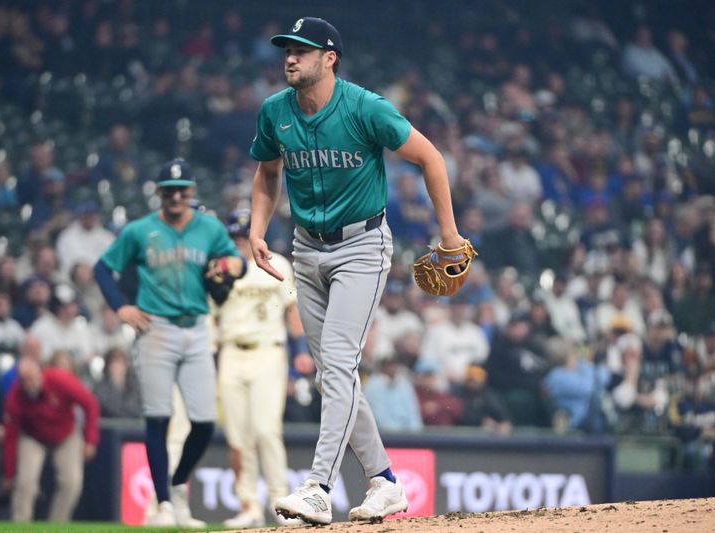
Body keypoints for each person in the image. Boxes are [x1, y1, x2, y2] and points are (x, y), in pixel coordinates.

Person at [249, 17, 466, 525]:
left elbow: (431, 157)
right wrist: (258, 230)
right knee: (332, 375)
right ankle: (385, 483)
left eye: (301, 50)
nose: (290, 57)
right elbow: (266, 172)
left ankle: (319, 487)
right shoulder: (274, 112)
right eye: (287, 49)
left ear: (329, 58)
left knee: (340, 368)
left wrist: (450, 235)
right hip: (305, 249)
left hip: (361, 248)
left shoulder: (366, 107)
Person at [93, 158, 245, 527]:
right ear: (159, 193)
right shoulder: (140, 230)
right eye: (169, 189)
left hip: (196, 328)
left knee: (205, 422)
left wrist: (228, 268)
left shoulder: (208, 228)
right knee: (158, 418)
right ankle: (163, 504)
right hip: (155, 328)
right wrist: (121, 308)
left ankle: (177, 488)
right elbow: (103, 268)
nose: (176, 195)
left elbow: (236, 260)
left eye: (182, 189)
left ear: (191, 191)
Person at [215, 208, 311, 528]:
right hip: (231, 352)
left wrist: (299, 353)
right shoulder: (220, 268)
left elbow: (291, 311)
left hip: (269, 352)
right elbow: (211, 315)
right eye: (236, 236)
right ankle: (248, 505)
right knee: (237, 437)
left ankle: (279, 504)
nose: (241, 240)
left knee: (267, 431)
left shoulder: (277, 263)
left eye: (245, 234)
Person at [1, 358, 100, 522]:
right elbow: (10, 436)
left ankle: (57, 526)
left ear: (39, 373)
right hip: (33, 437)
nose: (29, 383)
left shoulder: (59, 380)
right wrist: (9, 474)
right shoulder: (15, 397)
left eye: (31, 378)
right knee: (25, 482)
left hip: (66, 434)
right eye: (24, 380)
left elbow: (90, 403)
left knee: (71, 482)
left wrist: (90, 440)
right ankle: (20, 525)